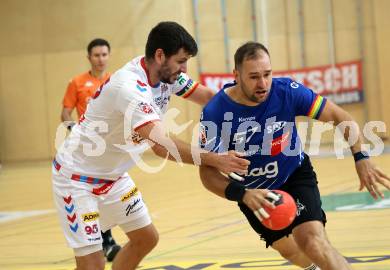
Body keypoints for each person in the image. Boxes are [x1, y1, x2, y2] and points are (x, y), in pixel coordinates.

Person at [52, 22, 249, 270]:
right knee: (93, 264)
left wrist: (248, 103)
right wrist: (216, 159)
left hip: (113, 177)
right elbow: (161, 146)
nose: (184, 68)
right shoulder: (130, 88)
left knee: (146, 239)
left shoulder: (166, 75)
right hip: (78, 179)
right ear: (159, 55)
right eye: (181, 61)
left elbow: (210, 99)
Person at [198, 42, 390, 270]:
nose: (262, 84)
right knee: (290, 250)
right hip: (254, 192)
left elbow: (339, 115)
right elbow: (206, 173)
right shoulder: (215, 112)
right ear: (236, 75)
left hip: (294, 175)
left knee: (313, 242)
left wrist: (361, 157)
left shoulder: (286, 91)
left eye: (267, 74)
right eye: (253, 77)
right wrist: (243, 194)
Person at [60, 38, 121, 262]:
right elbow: (66, 113)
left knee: (110, 192)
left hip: (111, 148)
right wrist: (74, 131)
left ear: (109, 56)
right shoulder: (76, 82)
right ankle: (105, 242)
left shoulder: (116, 81)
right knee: (92, 193)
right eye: (96, 55)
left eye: (104, 54)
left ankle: (104, 240)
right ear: (89, 57)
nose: (101, 59)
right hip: (87, 149)